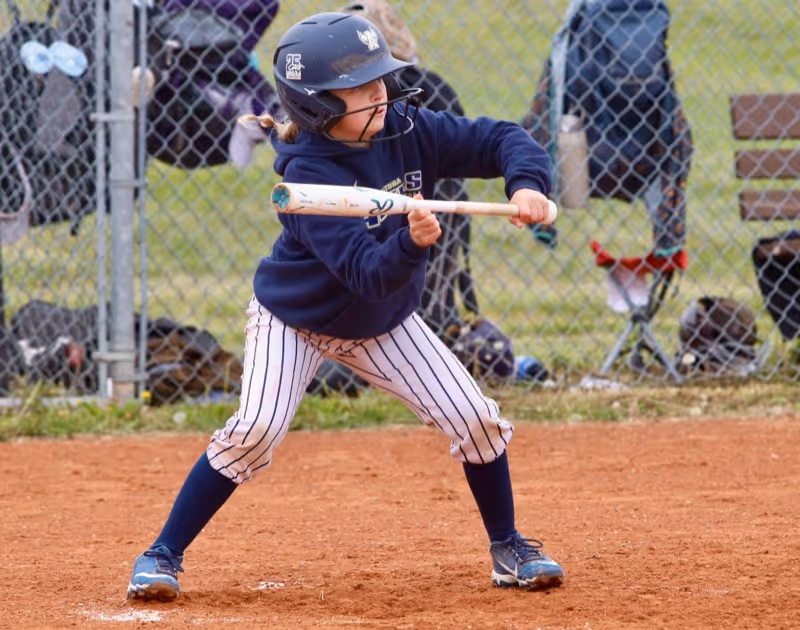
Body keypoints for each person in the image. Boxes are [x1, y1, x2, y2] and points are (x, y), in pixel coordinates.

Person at [126, 11, 564, 602]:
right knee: (254, 431)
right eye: (359, 88)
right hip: (295, 321)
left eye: (380, 80)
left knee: (478, 421)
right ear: (317, 106)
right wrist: (411, 241)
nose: (379, 94)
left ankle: (509, 545)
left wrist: (526, 183)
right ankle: (162, 553)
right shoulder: (307, 179)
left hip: (379, 325)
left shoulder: (408, 127)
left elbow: (499, 138)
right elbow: (368, 274)